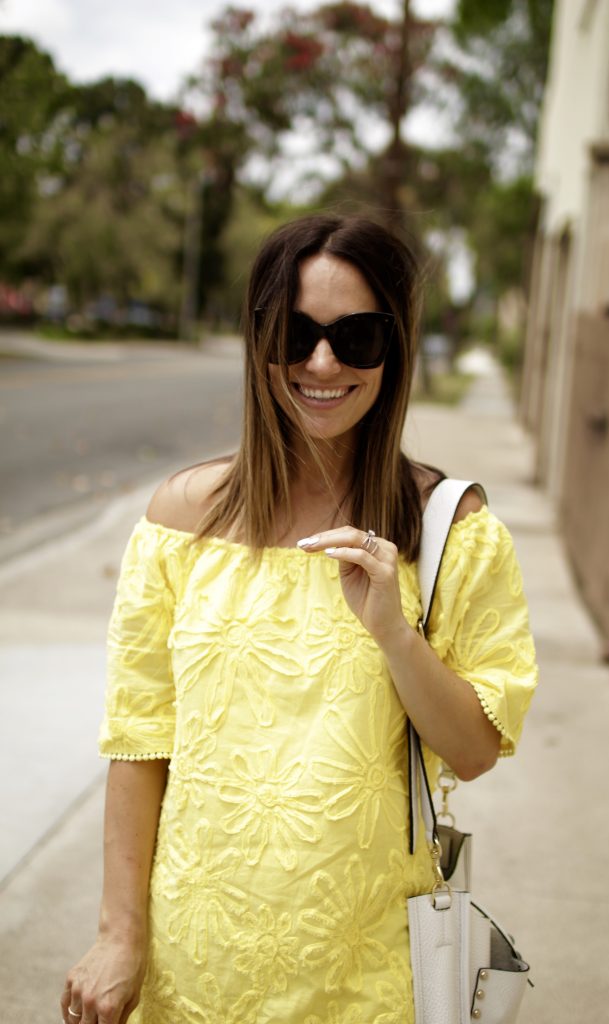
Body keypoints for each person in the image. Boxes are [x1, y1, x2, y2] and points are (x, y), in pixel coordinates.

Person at [61, 213, 538, 1024]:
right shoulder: (181, 521)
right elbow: (140, 741)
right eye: (296, 332)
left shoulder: (449, 530)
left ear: (396, 347)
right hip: (193, 965)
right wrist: (120, 934)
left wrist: (394, 631)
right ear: (258, 340)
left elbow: (474, 748)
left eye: (357, 336)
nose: (323, 362)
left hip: (365, 975)